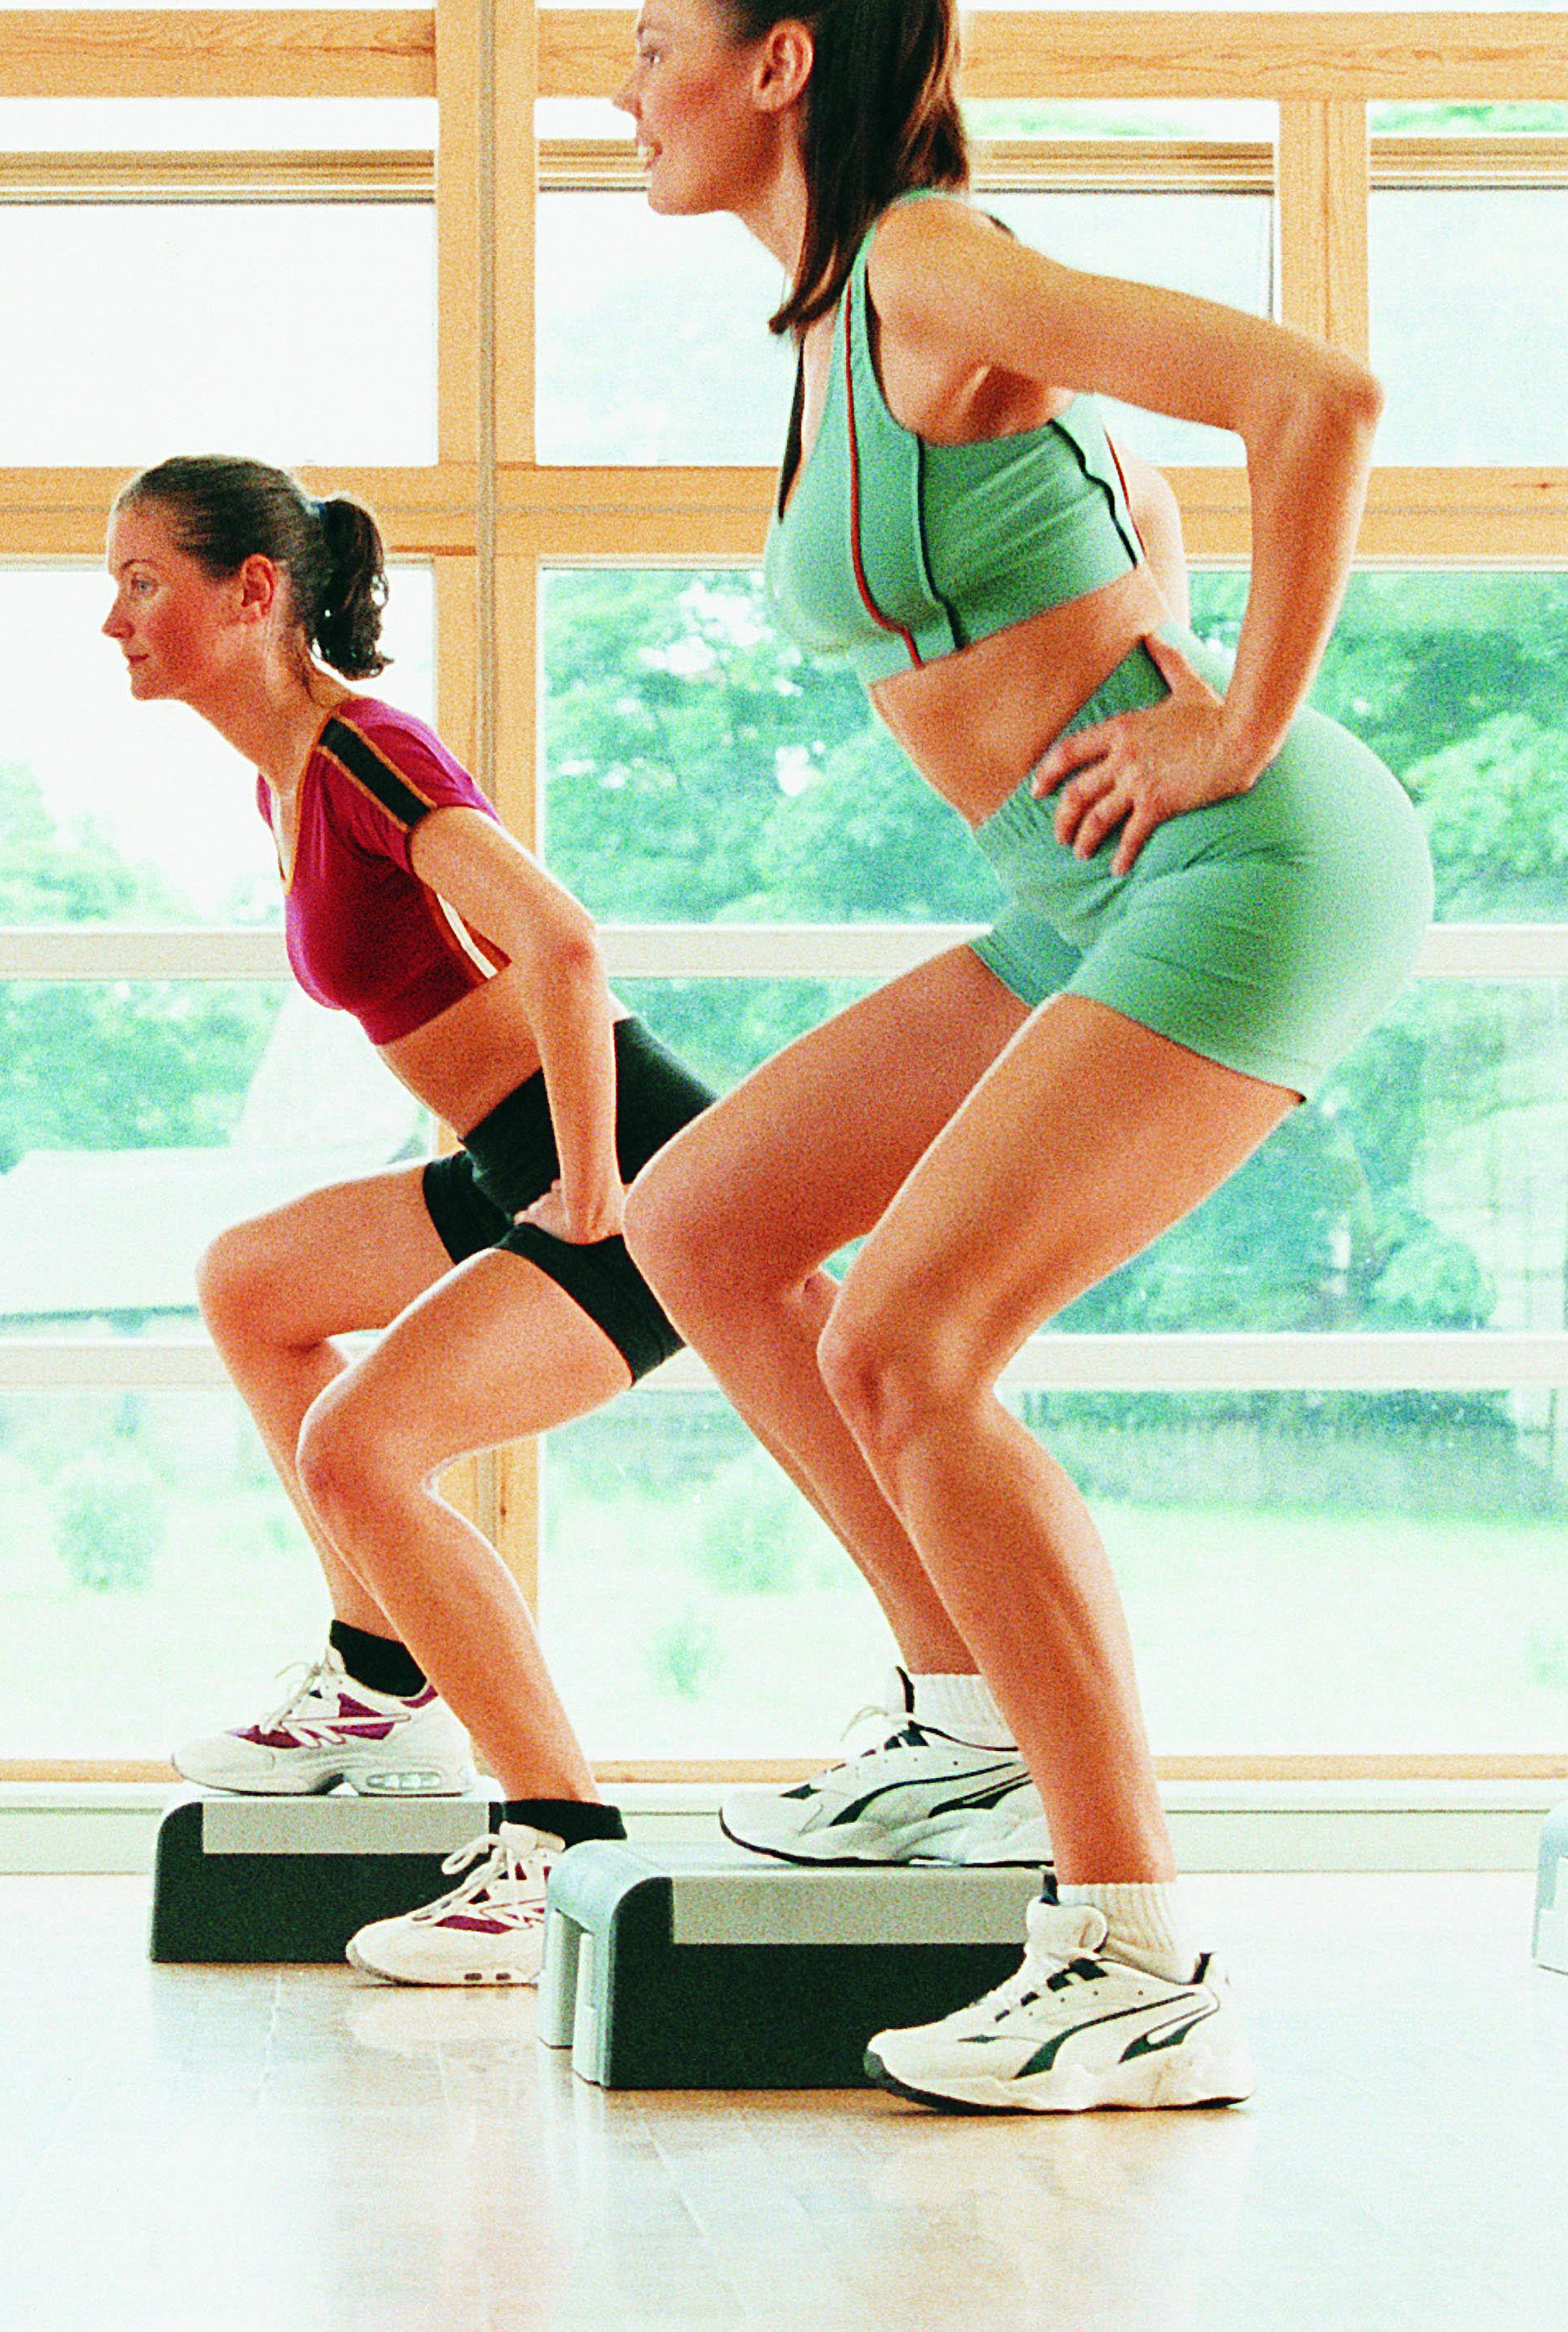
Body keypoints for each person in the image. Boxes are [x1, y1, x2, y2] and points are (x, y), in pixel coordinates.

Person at [609, 0, 1431, 2112]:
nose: (626, 91)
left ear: (777, 66)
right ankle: (959, 1714)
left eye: (654, 45)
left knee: (911, 1343)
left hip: (1236, 860)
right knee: (702, 1225)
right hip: (1078, 890)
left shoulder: (924, 262)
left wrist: (1231, 721)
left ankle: (1133, 1952)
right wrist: (1151, 632)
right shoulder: (837, 321)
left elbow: (1311, 399)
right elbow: (1121, 513)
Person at [113, 456, 1014, 1984]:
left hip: (621, 1163)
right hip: (502, 1152)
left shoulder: (365, 755)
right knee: (253, 1285)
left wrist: (596, 1192)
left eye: (142, 580)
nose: (114, 617)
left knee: (361, 1450)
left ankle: (553, 1839)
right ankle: (379, 1676)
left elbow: (564, 943)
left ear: (251, 593)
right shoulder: (281, 779)